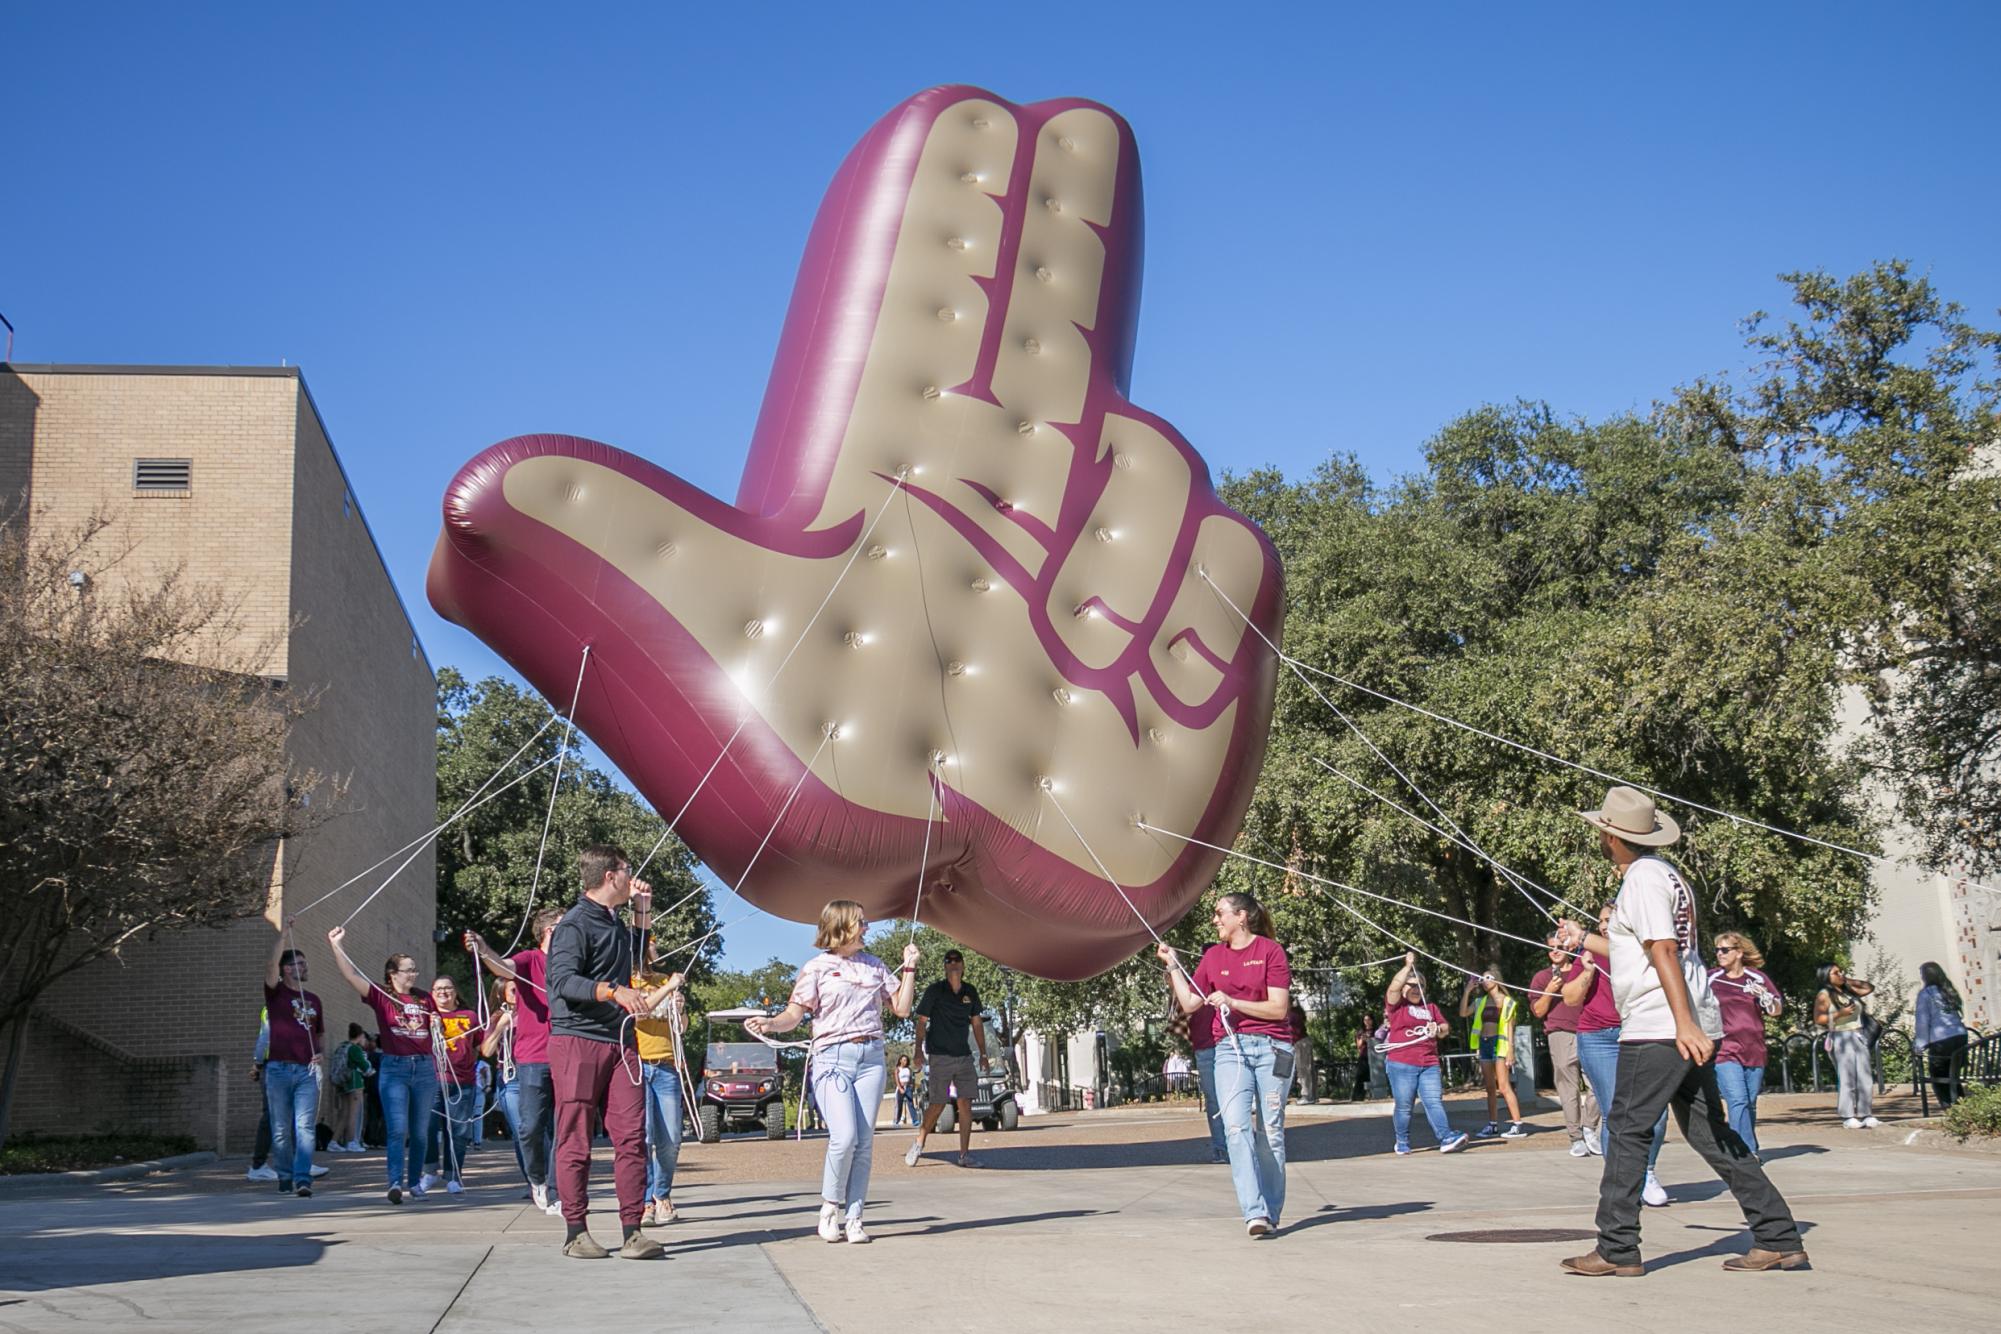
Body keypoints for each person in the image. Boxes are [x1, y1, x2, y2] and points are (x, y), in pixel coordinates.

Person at [1557, 786, 1807, 1276]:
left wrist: (1683, 1023)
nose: (1601, 839)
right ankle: (1779, 1236)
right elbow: (1641, 949)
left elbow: (1664, 951)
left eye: (1603, 832)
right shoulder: (1666, 876)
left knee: (1626, 1130)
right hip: (1679, 1019)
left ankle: (1616, 1248)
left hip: (1659, 1024)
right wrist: (1583, 939)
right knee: (1710, 1132)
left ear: (1613, 836)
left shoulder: (1643, 880)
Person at [749, 900, 920, 1244]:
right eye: (861, 922)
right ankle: (829, 1207)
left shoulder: (875, 966)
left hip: (871, 1056)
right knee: (844, 1137)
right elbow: (794, 1015)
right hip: (831, 1057)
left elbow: (901, 1009)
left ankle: (855, 1218)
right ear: (842, 927)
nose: (867, 927)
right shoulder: (817, 968)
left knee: (865, 1141)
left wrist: (910, 969)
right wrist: (770, 1024)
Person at [545, 844, 675, 1260]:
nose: (631, 876)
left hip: (620, 1041)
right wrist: (613, 992)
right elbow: (563, 981)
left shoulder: (614, 922)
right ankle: (575, 1232)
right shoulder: (573, 925)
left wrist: (643, 910)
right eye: (626, 870)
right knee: (575, 1139)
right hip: (577, 1040)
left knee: (633, 1137)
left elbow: (636, 958)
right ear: (609, 876)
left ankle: (633, 1231)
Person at [1159, 892, 1293, 1239]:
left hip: (1273, 1049)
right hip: (1229, 1051)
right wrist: (1173, 965)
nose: (1215, 920)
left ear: (1242, 917)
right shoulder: (1212, 957)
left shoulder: (1269, 952)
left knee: (1271, 1135)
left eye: (1220, 913)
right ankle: (1255, 1213)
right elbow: (1189, 1003)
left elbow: (1278, 1009)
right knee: (1236, 1130)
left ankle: (1271, 1209)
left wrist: (1233, 1001)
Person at [1562, 902, 1668, 1199]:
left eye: (1611, 919)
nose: (1605, 925)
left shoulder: (1648, 952)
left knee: (1656, 1113)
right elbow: (1569, 999)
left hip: (1641, 1033)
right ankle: (1621, 1182)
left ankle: (1645, 1170)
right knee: (1614, 1112)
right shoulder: (1592, 953)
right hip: (1598, 1038)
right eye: (1601, 921)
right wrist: (1585, 973)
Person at [328, 925, 439, 1204]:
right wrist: (336, 945)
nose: (413, 973)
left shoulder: (425, 998)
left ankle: (415, 1183)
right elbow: (351, 975)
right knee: (397, 1128)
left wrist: (436, 1022)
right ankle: (394, 1182)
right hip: (395, 1067)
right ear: (393, 973)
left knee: (420, 1131)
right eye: (407, 969)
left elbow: (434, 1023)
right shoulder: (381, 994)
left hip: (424, 1067)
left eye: (414, 969)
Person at [466, 907, 564, 1216]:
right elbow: (502, 967)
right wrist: (483, 950)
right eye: (565, 926)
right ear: (549, 932)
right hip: (533, 1058)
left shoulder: (572, 963)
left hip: (569, 1054)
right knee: (530, 1126)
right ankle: (537, 1179)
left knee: (566, 1129)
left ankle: (560, 1190)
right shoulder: (530, 959)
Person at [904, 948, 991, 1168]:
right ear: (945, 966)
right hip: (939, 1056)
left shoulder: (970, 992)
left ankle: (963, 1155)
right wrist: (917, 1051)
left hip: (963, 1057)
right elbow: (922, 1021)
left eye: (957, 960)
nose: (953, 964)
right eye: (949, 961)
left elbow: (977, 1024)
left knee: (966, 1104)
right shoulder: (935, 991)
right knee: (938, 1103)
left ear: (962, 965)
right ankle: (919, 1141)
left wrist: (983, 1054)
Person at [1380, 954, 1469, 1155]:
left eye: (1419, 984)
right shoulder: (1397, 1007)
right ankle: (1402, 1141)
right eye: (1410, 984)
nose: (1415, 988)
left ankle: (1445, 1137)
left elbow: (1445, 1028)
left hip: (1429, 1062)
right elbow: (1393, 988)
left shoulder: (1431, 1008)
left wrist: (1437, 1029)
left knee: (1433, 1101)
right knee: (1404, 1106)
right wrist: (1407, 967)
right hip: (1401, 1062)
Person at [262, 923, 325, 1197]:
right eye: (300, 964)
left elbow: (318, 1032)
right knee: (279, 1128)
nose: (304, 968)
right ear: (288, 969)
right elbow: (270, 965)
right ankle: (285, 1177)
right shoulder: (276, 993)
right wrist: (284, 936)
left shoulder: (313, 999)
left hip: (306, 1071)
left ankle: (302, 1179)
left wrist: (320, 1051)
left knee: (304, 1127)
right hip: (277, 1069)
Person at [1709, 932, 1782, 1158]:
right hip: (1725, 1049)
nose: (1720, 954)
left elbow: (1776, 1010)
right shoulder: (1710, 978)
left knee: (1749, 1102)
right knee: (1737, 1100)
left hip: (1754, 1048)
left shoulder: (1756, 978)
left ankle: (1746, 1144)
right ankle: (1745, 1152)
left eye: (1725, 950)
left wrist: (1766, 999)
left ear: (1739, 952)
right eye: (1717, 950)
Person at [1531, 934, 1599, 1157]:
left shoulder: (1584, 969)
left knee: (1598, 1083)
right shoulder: (1542, 977)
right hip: (1560, 1033)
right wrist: (1550, 989)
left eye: (1561, 947)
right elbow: (1538, 1011)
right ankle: (1576, 1137)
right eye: (1552, 948)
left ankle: (1589, 1127)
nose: (1557, 951)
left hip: (1590, 1030)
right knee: (1567, 1088)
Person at [634, 971, 686, 1227]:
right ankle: (647, 1201)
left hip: (666, 1065)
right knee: (643, 1137)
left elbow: (682, 1027)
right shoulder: (626, 982)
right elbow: (639, 1012)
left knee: (671, 1138)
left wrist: (680, 1009)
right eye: (650, 941)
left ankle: (661, 1192)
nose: (653, 946)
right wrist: (668, 990)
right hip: (637, 1065)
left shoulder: (664, 979)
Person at [422, 975, 482, 1195]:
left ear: (455, 992)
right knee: (428, 1127)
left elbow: (478, 1046)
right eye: (437, 989)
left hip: (463, 1081)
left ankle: (453, 1175)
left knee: (458, 1131)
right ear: (432, 993)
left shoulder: (470, 1016)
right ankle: (429, 1171)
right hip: (432, 1079)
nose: (443, 992)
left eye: (447, 988)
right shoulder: (427, 1016)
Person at [1460, 970, 1526, 1138]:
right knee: (1490, 1088)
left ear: (1497, 980)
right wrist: (1467, 991)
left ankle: (1517, 1124)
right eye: (1483, 978)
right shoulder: (1481, 1001)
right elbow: (1463, 1013)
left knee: (1503, 1086)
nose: (1485, 981)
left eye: (1488, 977)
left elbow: (1510, 1027)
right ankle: (1493, 1124)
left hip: (1500, 1044)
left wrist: (1511, 1050)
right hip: (1484, 1044)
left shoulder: (1507, 1002)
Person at [481, 979, 533, 1189]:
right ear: (502, 994)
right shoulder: (497, 1018)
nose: (518, 993)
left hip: (534, 1073)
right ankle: (534, 1182)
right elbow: (486, 1051)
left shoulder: (533, 1012)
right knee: (521, 1131)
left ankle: (547, 1178)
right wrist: (501, 1027)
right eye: (513, 990)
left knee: (540, 1129)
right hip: (510, 1077)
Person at [1813, 963, 1878, 1129]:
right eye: (1835, 973)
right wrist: (1839, 1014)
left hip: (1858, 1035)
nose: (1840, 974)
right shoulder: (1825, 994)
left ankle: (1866, 1113)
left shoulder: (1848, 991)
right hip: (1841, 1036)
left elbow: (1869, 987)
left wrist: (1847, 980)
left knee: (1865, 1076)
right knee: (1847, 1077)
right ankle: (1848, 1115)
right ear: (1826, 976)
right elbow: (1819, 1019)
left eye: (1841, 971)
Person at [1914, 961, 1971, 1109]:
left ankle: (1949, 1107)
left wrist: (1919, 1045)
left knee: (1938, 1077)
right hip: (1959, 1036)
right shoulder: (1948, 990)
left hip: (1941, 1040)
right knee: (1953, 1076)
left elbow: (1922, 1021)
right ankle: (1961, 1106)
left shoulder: (1926, 994)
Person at [331, 1023, 374, 1152]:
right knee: (353, 1114)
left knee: (343, 1113)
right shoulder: (355, 1049)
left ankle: (334, 1141)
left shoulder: (341, 1047)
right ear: (360, 1036)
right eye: (364, 1038)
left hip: (341, 1082)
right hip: (354, 1082)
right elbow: (364, 1066)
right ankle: (351, 1142)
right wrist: (371, 1071)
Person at [892, 1055, 917, 1125]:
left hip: (908, 1087)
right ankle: (896, 1121)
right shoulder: (897, 1069)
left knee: (911, 1103)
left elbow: (911, 1078)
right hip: (901, 1087)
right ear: (900, 1061)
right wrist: (900, 1088)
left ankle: (915, 1120)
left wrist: (912, 1086)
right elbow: (897, 1079)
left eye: (906, 1060)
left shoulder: (908, 1069)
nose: (905, 1062)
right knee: (899, 1105)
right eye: (903, 1060)